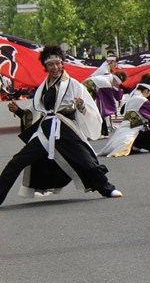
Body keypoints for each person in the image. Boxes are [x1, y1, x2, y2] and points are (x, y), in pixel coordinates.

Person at [0, 46, 122, 206]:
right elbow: (38, 112)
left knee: (85, 160)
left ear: (62, 63)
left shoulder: (73, 84)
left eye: (58, 63)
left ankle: (107, 188)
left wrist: (81, 106)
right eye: (51, 65)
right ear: (46, 67)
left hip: (65, 128)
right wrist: (20, 112)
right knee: (17, 162)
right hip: (45, 130)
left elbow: (87, 107)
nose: (55, 67)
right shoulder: (43, 87)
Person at [98, 75, 150, 157]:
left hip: (125, 126)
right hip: (135, 127)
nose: (149, 95)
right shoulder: (142, 100)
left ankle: (134, 146)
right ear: (146, 90)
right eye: (149, 93)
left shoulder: (131, 99)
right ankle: (136, 147)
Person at [84, 71, 127, 138]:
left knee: (96, 111)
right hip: (88, 89)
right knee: (95, 111)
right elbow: (110, 100)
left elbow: (116, 95)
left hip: (89, 87)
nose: (117, 85)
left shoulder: (108, 77)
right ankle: (96, 133)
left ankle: (99, 132)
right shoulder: (106, 83)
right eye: (117, 84)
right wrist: (115, 110)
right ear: (116, 80)